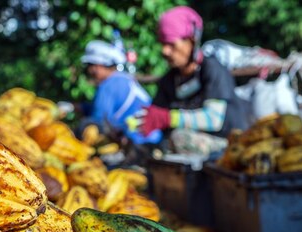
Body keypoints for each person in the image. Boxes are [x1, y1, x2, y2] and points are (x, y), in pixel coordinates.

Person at [127, 6, 244, 156]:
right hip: (186, 150)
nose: (165, 51)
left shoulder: (213, 69)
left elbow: (214, 119)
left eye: (171, 44)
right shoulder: (169, 80)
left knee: (178, 138)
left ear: (191, 41)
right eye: (163, 44)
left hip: (227, 146)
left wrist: (170, 118)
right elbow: (156, 115)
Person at [79, 40, 161, 146]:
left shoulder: (109, 85)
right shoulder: (122, 79)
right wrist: (79, 107)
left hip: (139, 144)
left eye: (89, 66)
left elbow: (98, 120)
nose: (89, 72)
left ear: (97, 66)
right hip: (154, 139)